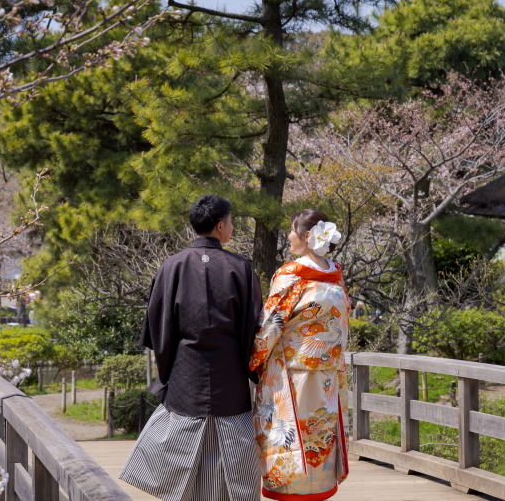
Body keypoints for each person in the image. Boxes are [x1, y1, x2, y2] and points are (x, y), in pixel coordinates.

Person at [120, 195, 262, 501]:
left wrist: (167, 370)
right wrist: (252, 369)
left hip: (185, 369)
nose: (232, 227)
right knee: (234, 448)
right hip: (230, 373)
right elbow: (253, 328)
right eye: (231, 222)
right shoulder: (241, 267)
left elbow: (159, 326)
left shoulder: (171, 266)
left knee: (181, 439)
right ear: (221, 225)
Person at [249, 209, 351, 500]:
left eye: (292, 231)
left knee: (290, 438)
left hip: (291, 377)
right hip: (328, 376)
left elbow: (270, 325)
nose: (289, 237)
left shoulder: (290, 275)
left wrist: (253, 360)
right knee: (319, 437)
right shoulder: (335, 277)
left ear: (307, 236)